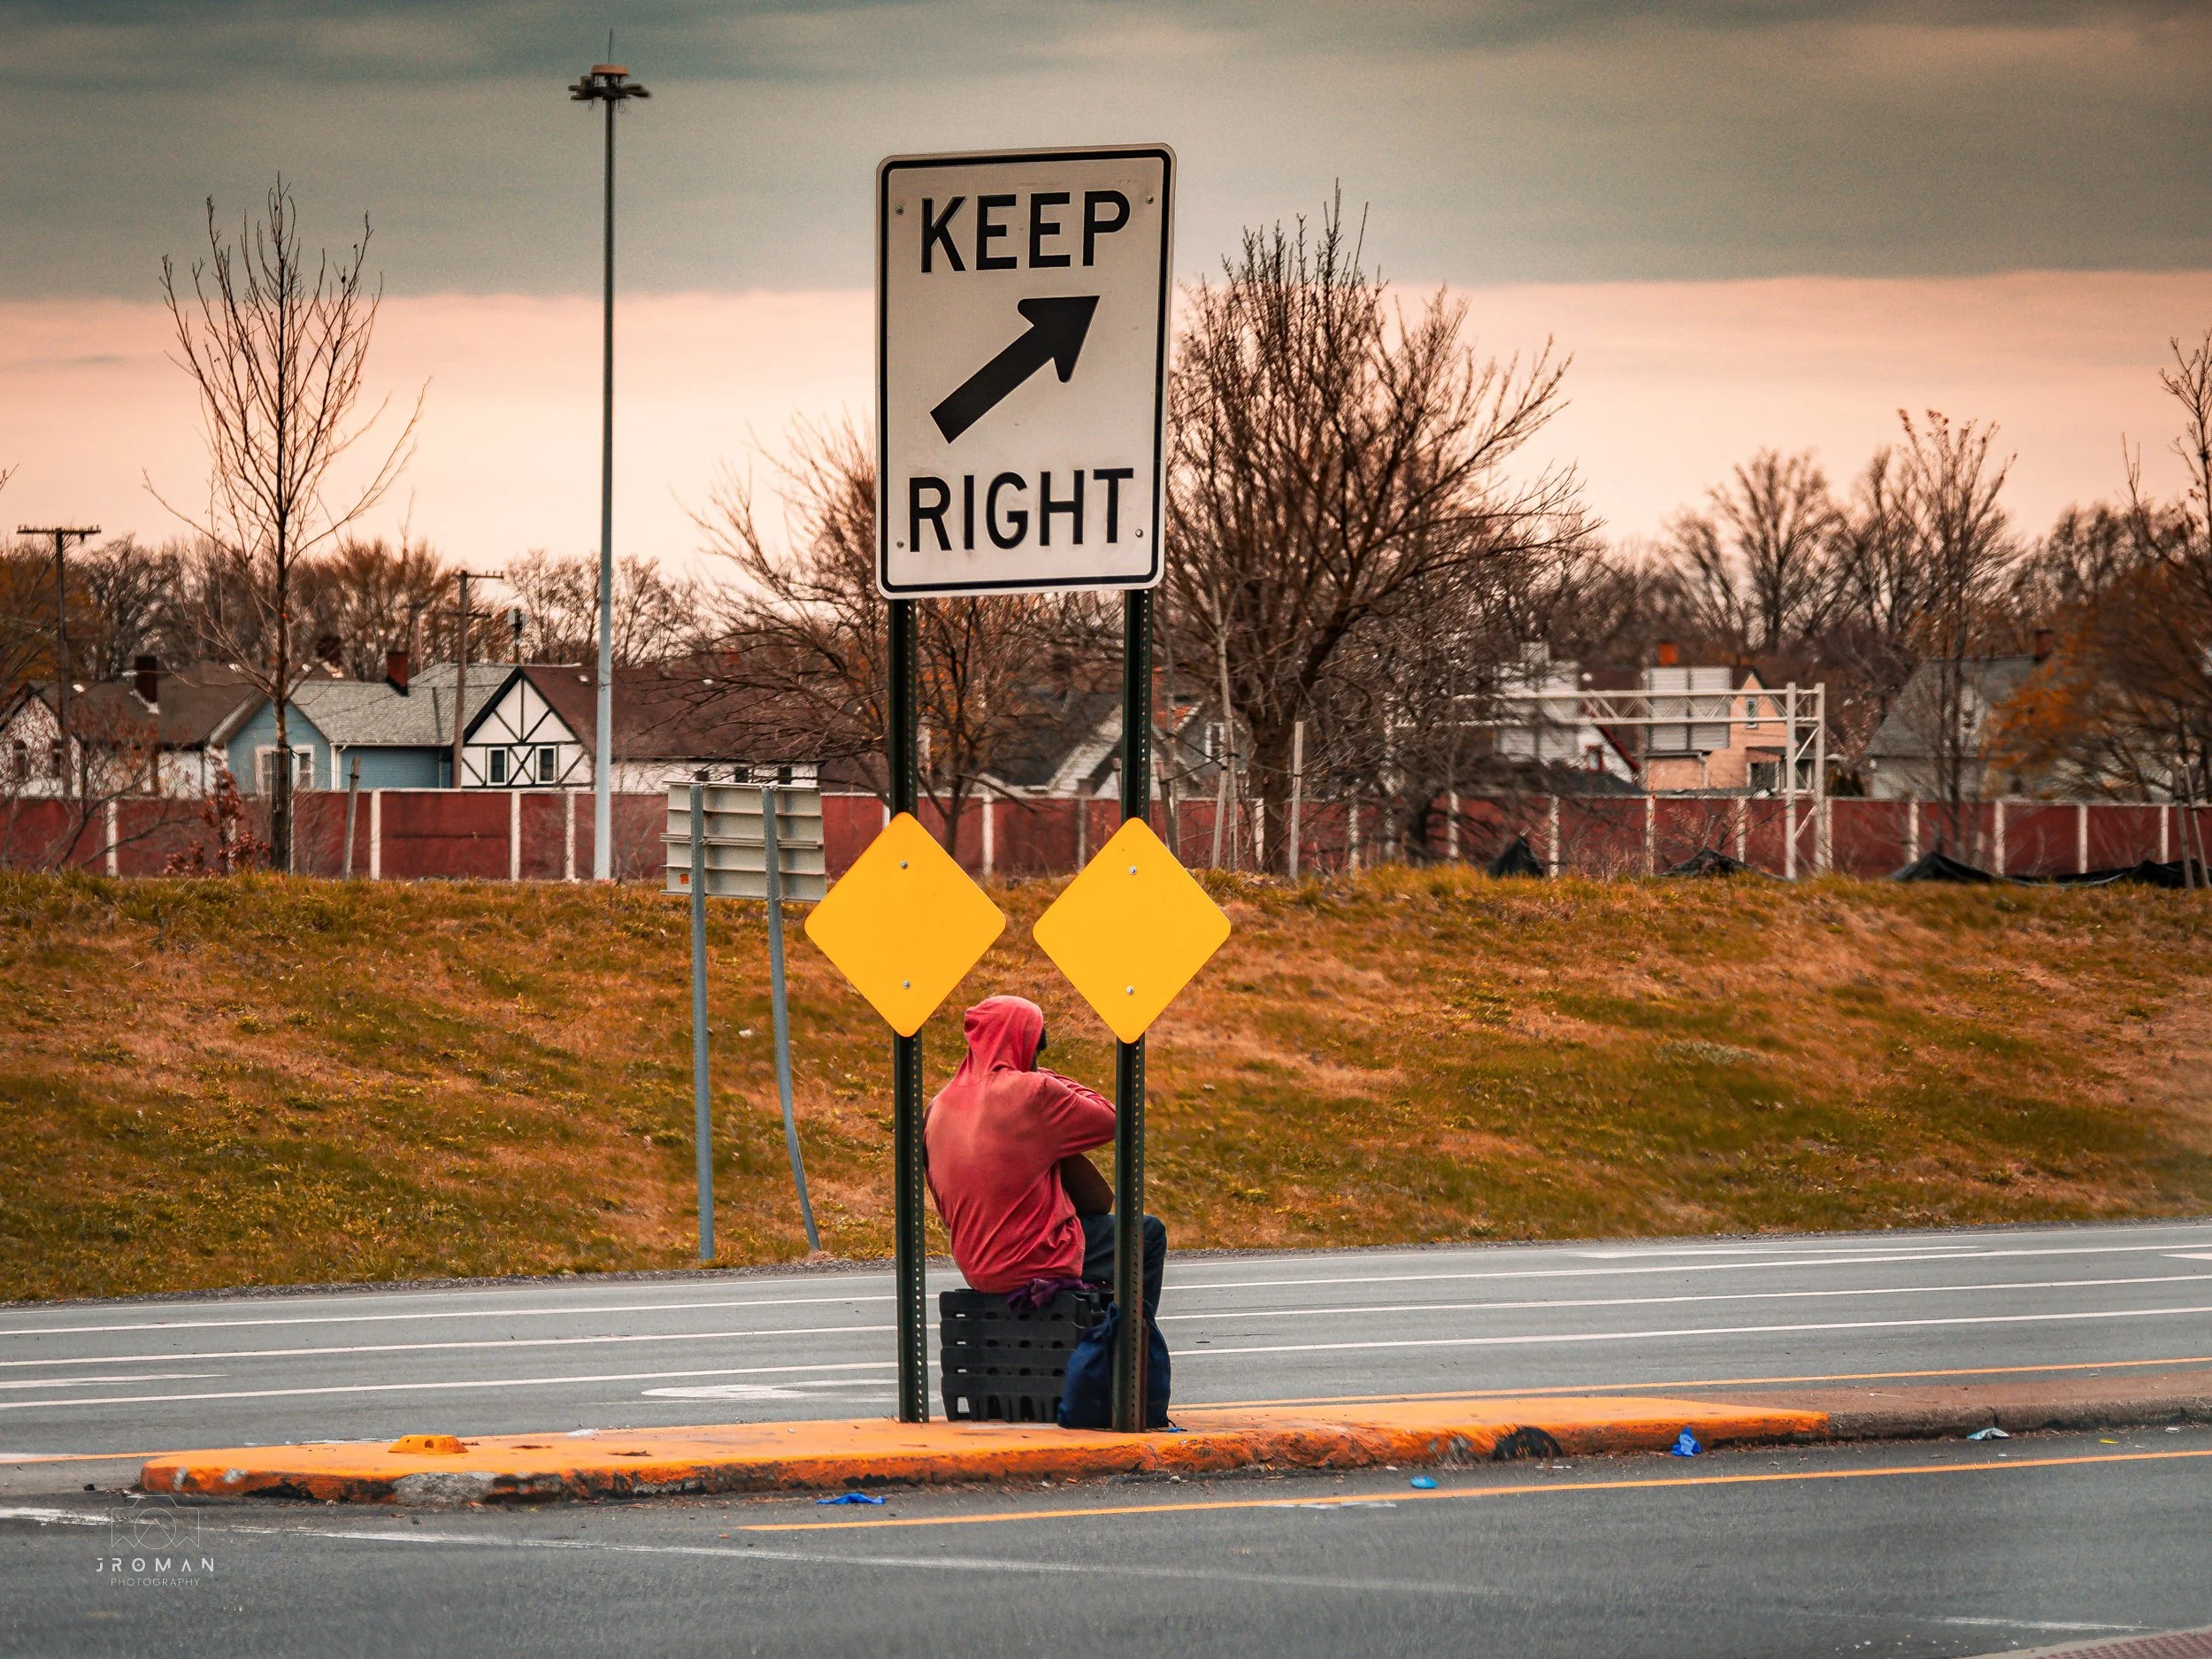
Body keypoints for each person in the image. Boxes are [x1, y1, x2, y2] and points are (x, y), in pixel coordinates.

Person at [925, 994, 1165, 1319]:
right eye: (1036, 1048)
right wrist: (1046, 1075)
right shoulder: (1032, 1092)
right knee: (1147, 1235)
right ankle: (1128, 1349)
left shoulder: (938, 1108)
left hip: (978, 1268)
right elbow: (1116, 1119)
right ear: (1025, 1045)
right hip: (1037, 1257)